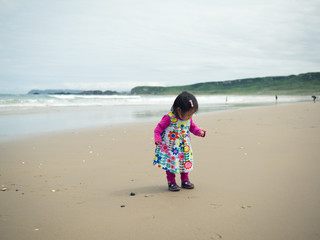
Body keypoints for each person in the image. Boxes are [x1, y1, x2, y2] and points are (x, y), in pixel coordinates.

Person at [153, 91, 206, 191]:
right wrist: (158, 139)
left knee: (185, 161)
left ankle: (185, 180)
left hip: (184, 147)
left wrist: (199, 132)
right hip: (171, 147)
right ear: (178, 110)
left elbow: (193, 128)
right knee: (171, 164)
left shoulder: (188, 119)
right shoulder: (169, 118)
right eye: (189, 114)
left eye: (192, 114)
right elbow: (158, 129)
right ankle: (171, 182)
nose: (190, 117)